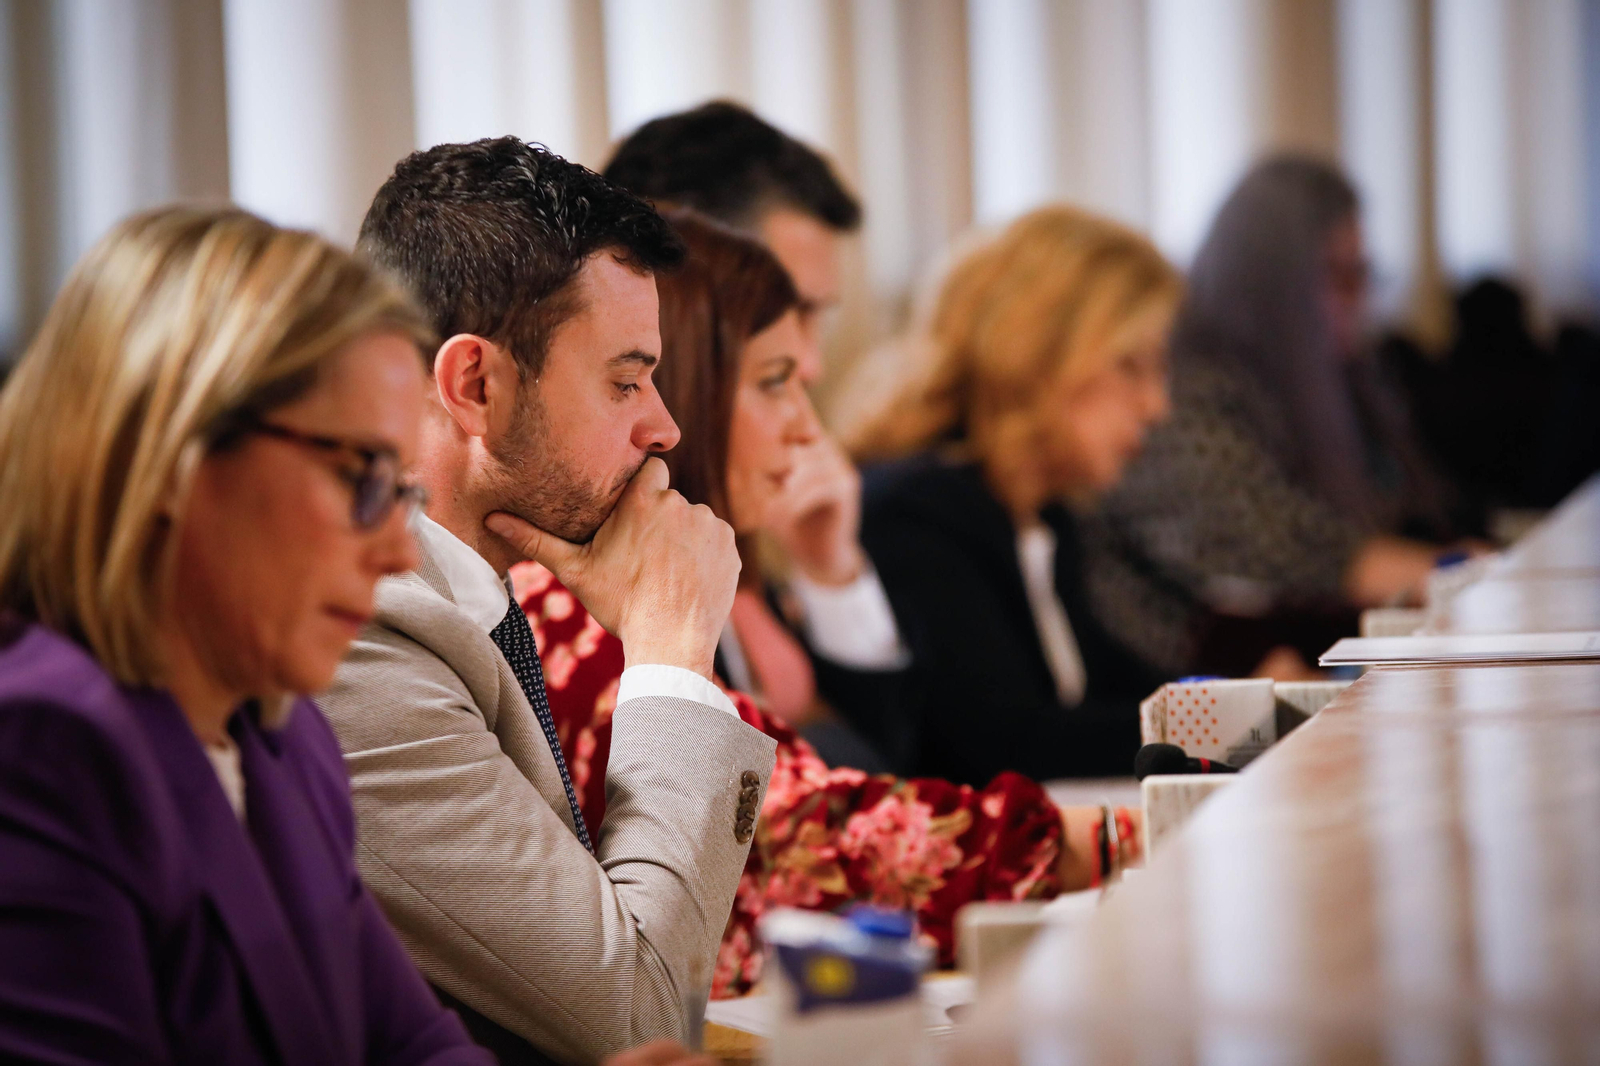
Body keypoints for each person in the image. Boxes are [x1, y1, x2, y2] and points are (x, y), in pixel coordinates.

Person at [514, 210, 1144, 997]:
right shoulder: (571, 596)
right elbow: (803, 835)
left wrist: (833, 574)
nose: (810, 432)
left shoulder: (744, 580)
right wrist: (1125, 837)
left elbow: (876, 770)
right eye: (777, 384)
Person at [318, 138, 775, 1065]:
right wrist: (669, 649)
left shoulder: (473, 593)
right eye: (624, 381)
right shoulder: (357, 641)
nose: (664, 426)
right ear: (476, 385)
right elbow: (640, 1012)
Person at [0, 206, 494, 1064]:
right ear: (173, 450)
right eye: (362, 477)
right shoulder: (37, 748)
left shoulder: (286, 738)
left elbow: (415, 1049)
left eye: (401, 488)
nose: (399, 549)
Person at [604, 101, 907, 770]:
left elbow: (879, 778)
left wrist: (833, 579)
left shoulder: (722, 508)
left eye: (813, 317)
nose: (814, 362)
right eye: (785, 311)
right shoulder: (602, 571)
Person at [1081, 157, 1460, 679]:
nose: (1358, 300)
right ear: (1273, 283)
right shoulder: (1186, 391)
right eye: (1339, 277)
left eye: (1364, 274)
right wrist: (1453, 576)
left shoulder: (1347, 377)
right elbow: (1270, 543)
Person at [848, 205, 1180, 787]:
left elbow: (1112, 688)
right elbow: (1007, 747)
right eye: (1131, 365)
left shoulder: (1041, 514)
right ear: (1036, 354)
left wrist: (1250, 698)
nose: (1158, 406)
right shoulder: (914, 512)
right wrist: (1221, 721)